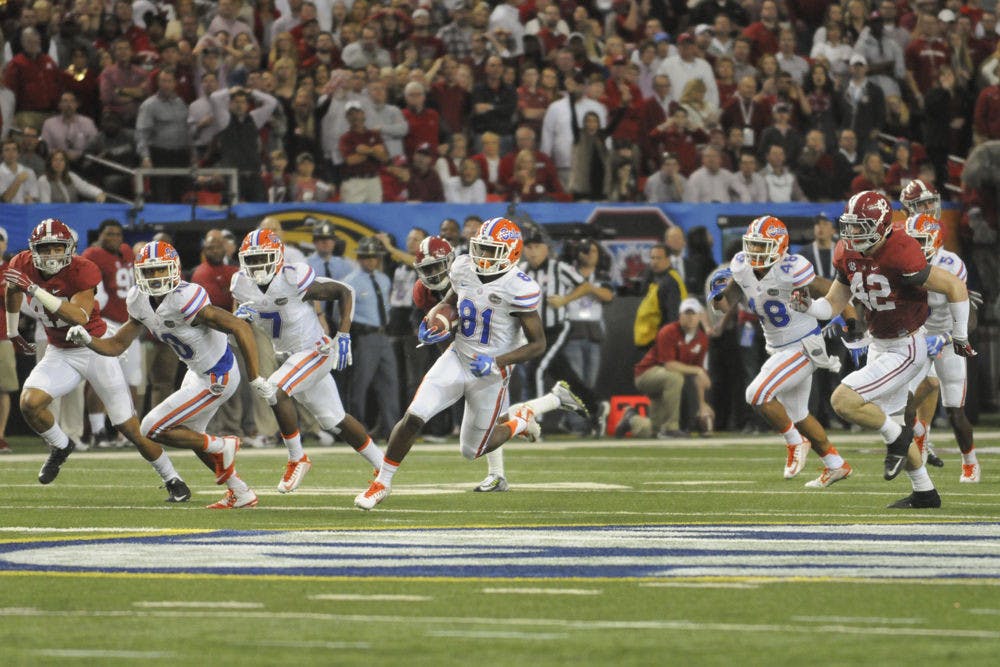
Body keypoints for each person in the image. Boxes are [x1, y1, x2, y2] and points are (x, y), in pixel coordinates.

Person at [354, 218, 586, 510]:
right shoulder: (463, 266)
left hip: (490, 373)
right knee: (414, 415)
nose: (483, 257)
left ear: (511, 253)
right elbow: (451, 300)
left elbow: (538, 344)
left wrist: (496, 362)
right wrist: (437, 319)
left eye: (491, 251)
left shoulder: (518, 287)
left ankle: (520, 421)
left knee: (471, 450)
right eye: (481, 248)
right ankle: (382, 483)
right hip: (457, 356)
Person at [790, 191, 975, 508]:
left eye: (861, 226)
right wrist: (808, 306)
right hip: (879, 342)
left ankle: (901, 437)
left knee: (843, 401)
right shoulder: (846, 252)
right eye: (850, 226)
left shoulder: (901, 250)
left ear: (883, 226)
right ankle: (925, 492)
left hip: (906, 345)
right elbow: (833, 304)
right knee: (888, 420)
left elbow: (955, 287)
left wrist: (959, 334)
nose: (852, 234)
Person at [67, 240, 273, 509]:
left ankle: (222, 444)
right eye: (149, 272)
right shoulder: (139, 300)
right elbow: (117, 345)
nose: (154, 277)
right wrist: (88, 340)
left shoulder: (186, 297)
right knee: (191, 435)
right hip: (197, 372)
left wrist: (255, 376)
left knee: (151, 427)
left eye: (160, 270)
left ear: (174, 269)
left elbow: (239, 327)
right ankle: (240, 491)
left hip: (217, 375)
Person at [3, 220, 191, 501]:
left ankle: (172, 477)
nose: (53, 255)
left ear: (70, 249)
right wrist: (12, 330)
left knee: (128, 427)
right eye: (46, 249)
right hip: (60, 351)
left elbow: (78, 315)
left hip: (94, 349)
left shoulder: (83, 269)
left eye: (58, 248)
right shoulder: (23, 263)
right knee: (29, 403)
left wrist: (34, 289)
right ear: (33, 250)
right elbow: (12, 290)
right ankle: (61, 445)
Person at [232, 229, 385, 493]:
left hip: (314, 351)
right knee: (333, 419)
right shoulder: (241, 284)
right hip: (288, 357)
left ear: (278, 256)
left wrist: (344, 333)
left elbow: (344, 290)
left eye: (263, 258)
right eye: (252, 260)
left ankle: (297, 457)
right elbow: (237, 337)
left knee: (274, 389)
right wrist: (239, 321)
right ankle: (384, 467)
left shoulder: (292, 278)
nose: (257, 266)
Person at [709, 217, 852, 485]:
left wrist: (852, 318)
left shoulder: (791, 268)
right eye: (753, 245)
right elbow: (725, 304)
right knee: (798, 414)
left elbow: (832, 291)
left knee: (757, 393)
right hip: (779, 349)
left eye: (762, 247)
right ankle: (836, 464)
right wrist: (716, 295)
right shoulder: (741, 266)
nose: (755, 253)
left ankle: (795, 442)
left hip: (804, 346)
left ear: (780, 247)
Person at [901, 200, 979, 483]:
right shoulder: (904, 263)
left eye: (920, 240)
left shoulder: (950, 263)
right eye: (911, 241)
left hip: (947, 341)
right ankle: (920, 434)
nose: (915, 246)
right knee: (905, 402)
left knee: (955, 411)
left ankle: (969, 460)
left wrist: (947, 337)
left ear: (935, 239)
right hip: (920, 338)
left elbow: (966, 313)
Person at [80, 220, 140, 447]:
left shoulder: (126, 252)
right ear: (101, 235)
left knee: (132, 380)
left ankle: (127, 433)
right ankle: (98, 432)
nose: (114, 237)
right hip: (103, 321)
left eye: (118, 233)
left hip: (128, 322)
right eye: (109, 233)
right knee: (101, 378)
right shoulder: (93, 254)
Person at [616, 298, 713, 438]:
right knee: (675, 378)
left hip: (666, 383)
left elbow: (700, 378)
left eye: (694, 314)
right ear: (680, 316)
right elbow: (669, 365)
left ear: (700, 317)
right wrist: (697, 370)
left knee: (653, 430)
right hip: (646, 374)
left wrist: (702, 405)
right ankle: (670, 428)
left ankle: (631, 419)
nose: (690, 317)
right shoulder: (668, 331)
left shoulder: (702, 340)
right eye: (687, 313)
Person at [342, 236, 400, 438]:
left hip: (383, 336)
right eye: (367, 257)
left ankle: (391, 428)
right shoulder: (350, 282)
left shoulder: (383, 279)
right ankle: (357, 430)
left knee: (390, 383)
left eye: (374, 257)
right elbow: (342, 314)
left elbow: (387, 307)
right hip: (364, 336)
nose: (371, 261)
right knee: (360, 385)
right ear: (359, 258)